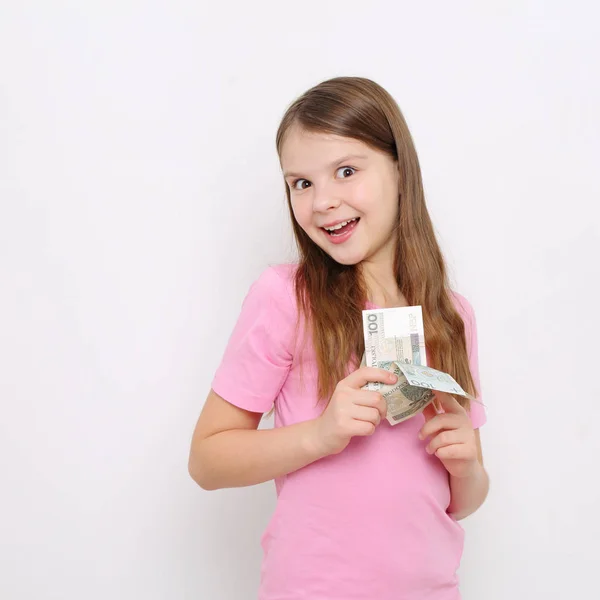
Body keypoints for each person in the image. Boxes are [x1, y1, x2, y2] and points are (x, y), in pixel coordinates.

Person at [188, 76, 489, 600]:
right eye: (300, 183)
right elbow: (207, 462)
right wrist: (320, 435)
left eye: (346, 171)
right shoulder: (287, 298)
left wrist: (467, 466)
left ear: (400, 169)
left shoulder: (451, 317)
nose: (323, 200)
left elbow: (461, 500)